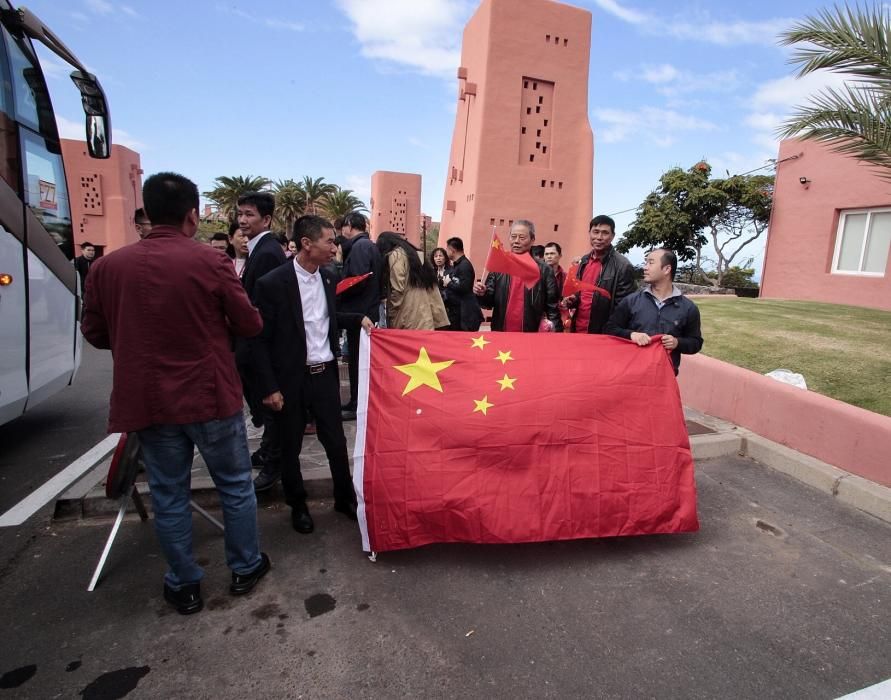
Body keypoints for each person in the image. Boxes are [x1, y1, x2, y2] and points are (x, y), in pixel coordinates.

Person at [81, 172, 270, 615]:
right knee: (235, 486)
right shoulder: (210, 262)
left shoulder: (108, 268)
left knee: (168, 493)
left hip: (149, 401)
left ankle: (184, 584)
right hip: (209, 396)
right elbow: (249, 324)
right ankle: (245, 567)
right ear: (191, 215)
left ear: (145, 215)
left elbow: (94, 331)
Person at [251, 215, 373, 534]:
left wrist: (358, 318)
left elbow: (325, 318)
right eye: (329, 241)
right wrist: (269, 387)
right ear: (307, 244)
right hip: (291, 379)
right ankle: (298, 504)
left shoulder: (329, 277)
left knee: (335, 441)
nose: (335, 246)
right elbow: (258, 341)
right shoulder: (273, 283)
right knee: (290, 446)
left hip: (325, 375)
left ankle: (344, 498)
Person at [236, 191, 288, 492]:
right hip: (256, 345)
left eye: (249, 214)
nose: (243, 220)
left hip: (263, 346)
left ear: (266, 219)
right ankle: (267, 454)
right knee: (266, 409)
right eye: (240, 214)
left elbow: (265, 310)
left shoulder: (267, 253)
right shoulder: (260, 249)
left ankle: (273, 463)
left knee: (271, 409)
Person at [605, 248, 703, 375]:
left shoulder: (688, 308)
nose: (645, 268)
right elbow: (609, 329)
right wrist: (631, 335)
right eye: (646, 263)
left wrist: (677, 343)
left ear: (667, 269)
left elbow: (696, 342)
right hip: (630, 374)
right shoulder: (631, 301)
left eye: (650, 263)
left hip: (665, 379)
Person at [472, 220, 560, 332]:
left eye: (522, 238)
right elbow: (489, 303)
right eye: (513, 237)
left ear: (532, 240)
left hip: (531, 334)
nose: (516, 241)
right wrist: (482, 293)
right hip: (501, 332)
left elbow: (552, 308)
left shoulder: (544, 270)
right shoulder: (500, 266)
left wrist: (557, 336)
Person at [338, 212, 381, 420]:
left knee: (357, 360)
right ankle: (357, 400)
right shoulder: (368, 246)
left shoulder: (360, 247)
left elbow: (357, 279)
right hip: (365, 309)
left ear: (348, 226)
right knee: (358, 359)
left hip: (360, 312)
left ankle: (357, 402)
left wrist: (340, 290)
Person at [565, 215, 635, 334]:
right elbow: (581, 294)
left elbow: (623, 308)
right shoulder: (584, 261)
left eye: (605, 233)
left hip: (603, 333)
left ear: (612, 236)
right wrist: (573, 300)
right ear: (589, 233)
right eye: (595, 232)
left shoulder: (623, 266)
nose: (599, 237)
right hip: (578, 329)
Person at [377, 232, 449, 330]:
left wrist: (392, 312)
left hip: (407, 315)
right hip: (425, 314)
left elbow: (398, 288)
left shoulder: (396, 255)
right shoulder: (414, 253)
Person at [443, 236, 483, 332]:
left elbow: (464, 288)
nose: (446, 252)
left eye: (447, 249)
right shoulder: (457, 265)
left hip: (465, 315)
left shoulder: (464, 266)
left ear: (452, 250)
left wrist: (448, 283)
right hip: (457, 313)